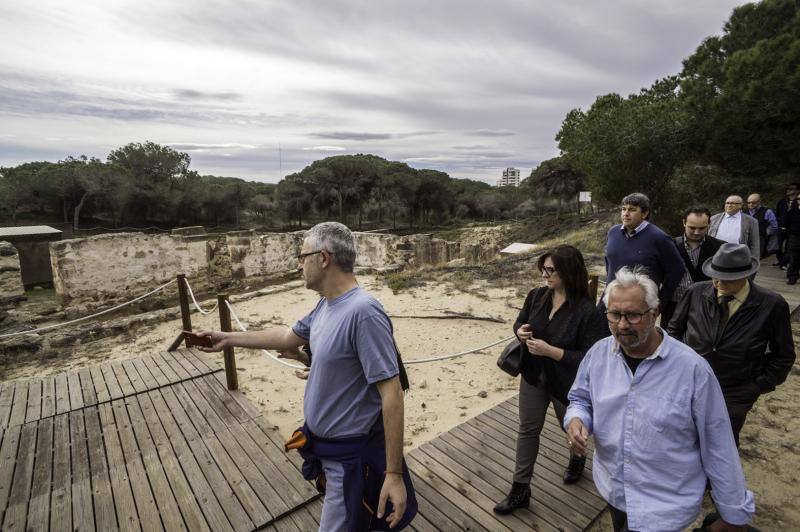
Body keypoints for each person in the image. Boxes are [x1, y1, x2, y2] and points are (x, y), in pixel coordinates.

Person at [197, 222, 416, 531]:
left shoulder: (363, 312)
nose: (298, 263)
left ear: (323, 258)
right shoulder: (325, 305)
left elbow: (391, 393)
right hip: (329, 454)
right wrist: (226, 338)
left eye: (302, 256)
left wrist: (393, 474)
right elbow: (287, 337)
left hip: (349, 462)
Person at [565, 267, 755, 532]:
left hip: (665, 506)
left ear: (654, 314)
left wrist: (734, 514)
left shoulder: (693, 371)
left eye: (632, 315)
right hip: (613, 490)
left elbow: (718, 445)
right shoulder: (598, 355)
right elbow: (580, 398)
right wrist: (576, 419)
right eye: (615, 314)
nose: (621, 325)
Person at [493, 245, 608, 515]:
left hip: (568, 384)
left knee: (570, 428)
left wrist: (552, 352)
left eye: (550, 270)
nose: (544, 275)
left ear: (568, 271)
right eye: (543, 269)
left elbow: (591, 358)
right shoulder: (536, 296)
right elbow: (520, 321)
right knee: (527, 429)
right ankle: (520, 489)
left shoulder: (587, 312)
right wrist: (519, 331)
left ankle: (577, 458)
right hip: (533, 376)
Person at [667, 243, 796, 446]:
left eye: (728, 278)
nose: (719, 282)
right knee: (682, 436)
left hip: (735, 391)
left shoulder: (772, 304)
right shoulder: (695, 293)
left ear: (747, 275)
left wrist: (757, 385)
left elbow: (784, 355)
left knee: (721, 444)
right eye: (715, 275)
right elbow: (673, 332)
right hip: (689, 382)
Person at [603, 192, 685, 310]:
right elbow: (609, 262)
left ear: (645, 213)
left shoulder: (659, 238)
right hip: (610, 300)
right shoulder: (613, 232)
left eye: (632, 210)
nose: (626, 214)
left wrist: (659, 302)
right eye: (623, 209)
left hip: (638, 308)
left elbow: (677, 270)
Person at [660, 206, 724, 327]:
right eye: (692, 227)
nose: (696, 232)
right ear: (684, 223)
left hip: (705, 307)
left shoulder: (720, 247)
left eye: (702, 228)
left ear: (709, 224)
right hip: (672, 306)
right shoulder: (669, 245)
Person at [709, 195, 760, 261]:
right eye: (727, 203)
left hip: (739, 257)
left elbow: (755, 244)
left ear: (740, 205)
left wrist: (754, 261)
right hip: (716, 256)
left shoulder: (751, 221)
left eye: (733, 203)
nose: (729, 205)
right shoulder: (713, 218)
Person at [773, 183, 799, 268]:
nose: (788, 190)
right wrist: (779, 223)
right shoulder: (782, 201)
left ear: (797, 190)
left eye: (791, 189)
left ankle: (785, 263)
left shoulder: (798, 202)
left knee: (790, 247)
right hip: (781, 227)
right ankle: (781, 260)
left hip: (793, 229)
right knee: (777, 246)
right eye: (788, 188)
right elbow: (777, 213)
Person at [745, 193, 777, 259]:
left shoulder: (767, 212)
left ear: (759, 202)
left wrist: (764, 233)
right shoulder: (743, 212)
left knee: (756, 259)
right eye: (749, 202)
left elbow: (774, 226)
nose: (751, 204)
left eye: (754, 203)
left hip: (760, 241)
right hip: (745, 239)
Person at [784, 190, 800, 285]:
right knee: (793, 256)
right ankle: (792, 276)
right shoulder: (793, 210)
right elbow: (787, 221)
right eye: (798, 199)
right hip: (795, 236)